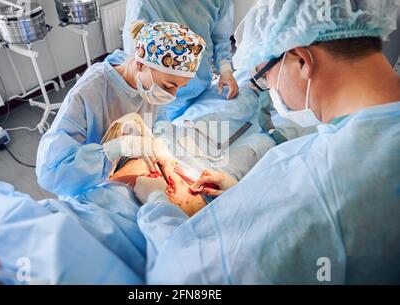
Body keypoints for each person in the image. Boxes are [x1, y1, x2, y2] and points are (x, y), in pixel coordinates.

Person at [135, 0, 400, 284]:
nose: (270, 89)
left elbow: (185, 279)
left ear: (302, 60)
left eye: (265, 77)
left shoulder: (316, 181)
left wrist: (156, 204)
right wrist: (243, 194)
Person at [36, 21, 206, 198]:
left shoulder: (150, 86)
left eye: (180, 86)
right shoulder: (89, 93)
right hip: (88, 185)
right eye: (169, 85)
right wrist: (118, 147)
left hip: (129, 172)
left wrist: (160, 143)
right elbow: (52, 174)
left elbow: (159, 121)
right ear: (140, 64)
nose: (173, 95)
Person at [123, 0, 239, 121]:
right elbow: (136, 57)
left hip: (202, 90)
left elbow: (220, 38)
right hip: (160, 100)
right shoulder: (143, 3)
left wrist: (225, 70)